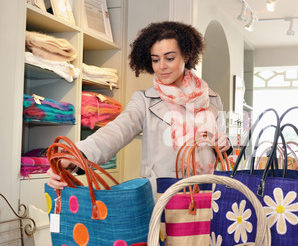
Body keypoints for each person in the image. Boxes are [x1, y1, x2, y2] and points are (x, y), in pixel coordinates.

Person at [47, 21, 231, 201]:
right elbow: (117, 131)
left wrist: (224, 143)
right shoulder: (144, 100)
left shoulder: (211, 99)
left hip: (207, 194)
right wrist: (73, 155)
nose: (161, 66)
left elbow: (219, 141)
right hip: (163, 198)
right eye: (155, 60)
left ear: (187, 56)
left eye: (169, 58)